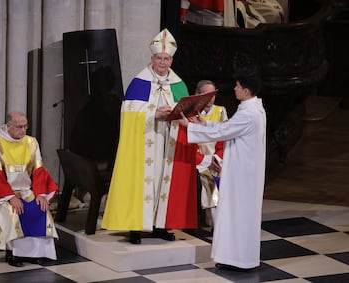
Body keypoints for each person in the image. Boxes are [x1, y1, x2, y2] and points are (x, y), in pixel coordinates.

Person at [101, 28, 199, 244]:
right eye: (158, 58)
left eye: (166, 58)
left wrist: (178, 113)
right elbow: (127, 113)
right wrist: (154, 113)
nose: (162, 63)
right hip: (145, 142)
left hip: (168, 141)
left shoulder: (178, 84)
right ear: (152, 58)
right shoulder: (139, 82)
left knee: (164, 182)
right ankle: (136, 227)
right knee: (144, 181)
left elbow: (187, 110)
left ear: (171, 60)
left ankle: (160, 225)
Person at [179, 72, 266, 271]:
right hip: (244, 172)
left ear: (246, 90)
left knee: (237, 216)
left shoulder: (248, 114)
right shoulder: (254, 109)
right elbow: (228, 127)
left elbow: (222, 132)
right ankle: (234, 258)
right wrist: (204, 123)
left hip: (241, 175)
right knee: (236, 216)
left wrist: (190, 126)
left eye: (237, 86)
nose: (234, 88)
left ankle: (239, 260)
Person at [0, 111, 59, 267]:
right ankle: (14, 254)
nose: (24, 130)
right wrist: (10, 197)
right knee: (15, 211)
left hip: (28, 190)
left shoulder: (31, 142)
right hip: (4, 194)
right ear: (8, 126)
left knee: (39, 208)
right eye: (20, 127)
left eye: (26, 126)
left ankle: (36, 254)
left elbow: (39, 170)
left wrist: (41, 194)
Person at [194, 80, 227, 229]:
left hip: (217, 159)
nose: (210, 98)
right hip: (198, 160)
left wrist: (217, 158)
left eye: (213, 94)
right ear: (197, 95)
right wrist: (206, 160)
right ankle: (216, 224)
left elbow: (224, 138)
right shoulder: (192, 113)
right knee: (210, 183)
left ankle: (224, 221)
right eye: (206, 94)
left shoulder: (220, 111)